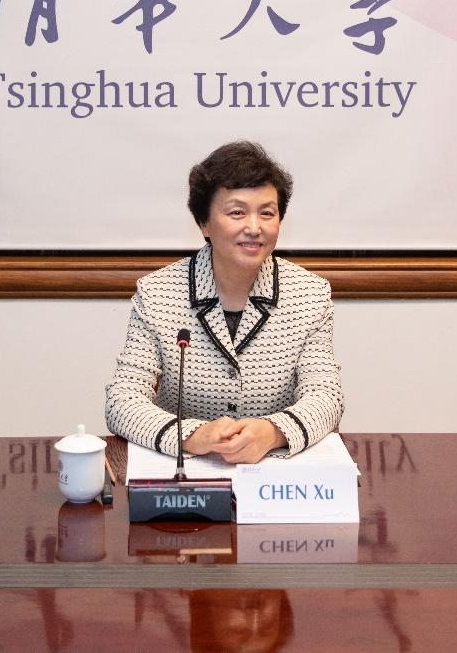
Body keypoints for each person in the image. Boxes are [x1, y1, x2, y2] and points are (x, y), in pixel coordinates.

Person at [105, 141, 343, 464]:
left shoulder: (310, 294)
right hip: (188, 475)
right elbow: (122, 400)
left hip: (274, 475)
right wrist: (191, 436)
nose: (254, 228)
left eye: (267, 213)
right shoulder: (157, 294)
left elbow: (326, 396)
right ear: (204, 223)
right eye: (237, 212)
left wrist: (273, 432)